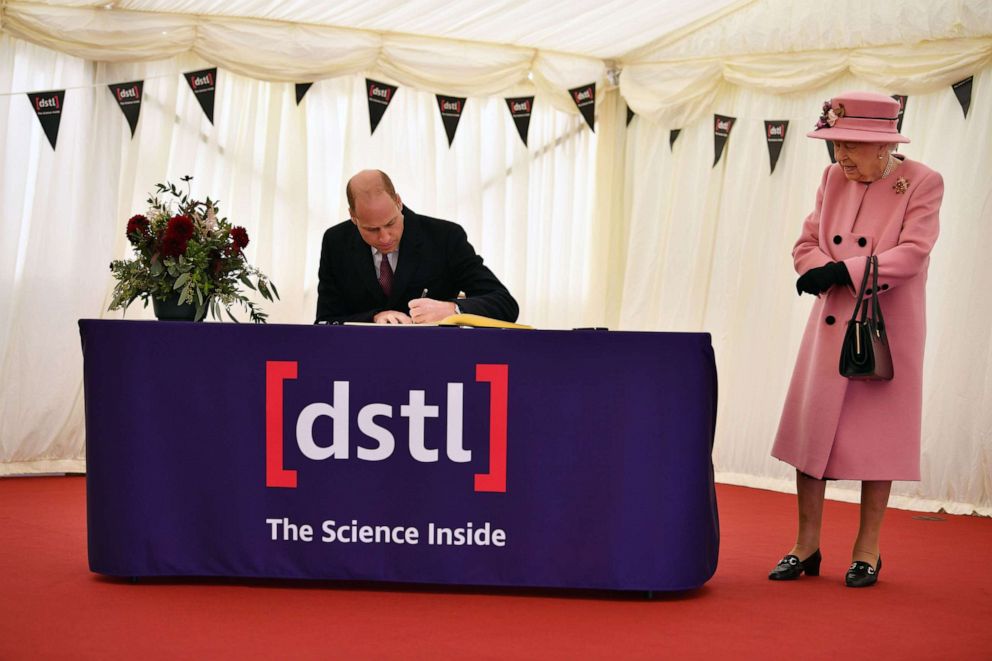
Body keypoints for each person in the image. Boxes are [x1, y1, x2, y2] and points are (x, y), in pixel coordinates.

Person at [769, 92, 943, 587]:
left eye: (849, 144)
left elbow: (914, 252)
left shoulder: (923, 182)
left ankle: (868, 550)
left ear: (883, 144)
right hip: (832, 323)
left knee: (878, 439)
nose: (839, 155)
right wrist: (813, 268)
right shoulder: (831, 178)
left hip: (887, 325)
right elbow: (806, 241)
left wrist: (842, 270)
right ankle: (805, 547)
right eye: (835, 143)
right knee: (811, 434)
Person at [315, 170, 519, 325]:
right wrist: (374, 317)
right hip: (358, 363)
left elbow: (505, 304)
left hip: (437, 362)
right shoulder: (335, 242)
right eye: (371, 229)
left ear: (398, 202)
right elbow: (325, 320)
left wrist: (453, 310)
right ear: (353, 217)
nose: (385, 237)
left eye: (390, 223)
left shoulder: (445, 237)